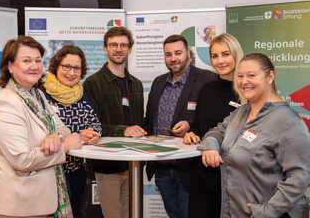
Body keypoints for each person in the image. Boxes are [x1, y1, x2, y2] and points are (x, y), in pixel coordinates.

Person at [0, 35, 83, 218]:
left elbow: (62, 128)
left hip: (42, 202)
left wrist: (56, 137)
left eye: (38, 60)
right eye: (26, 60)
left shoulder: (36, 95)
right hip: (15, 207)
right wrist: (65, 146)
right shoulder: (5, 103)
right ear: (10, 66)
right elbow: (23, 159)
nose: (34, 66)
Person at [198, 53, 310, 218]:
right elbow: (218, 131)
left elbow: (299, 177)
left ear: (270, 77)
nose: (244, 82)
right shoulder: (241, 112)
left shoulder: (289, 122)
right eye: (240, 76)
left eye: (251, 75)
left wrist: (267, 212)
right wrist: (210, 146)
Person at [144, 34, 216, 218]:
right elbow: (149, 119)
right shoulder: (159, 81)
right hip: (161, 168)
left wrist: (191, 126)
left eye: (178, 53)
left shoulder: (207, 79)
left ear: (189, 53)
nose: (173, 58)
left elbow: (216, 118)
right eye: (168, 54)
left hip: (190, 168)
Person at [83, 26, 147, 218]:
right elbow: (91, 127)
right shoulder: (92, 83)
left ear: (130, 49)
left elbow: (139, 124)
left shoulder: (136, 84)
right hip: (107, 165)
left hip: (132, 165)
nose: (118, 49)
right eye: (113, 45)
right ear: (105, 49)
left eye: (123, 45)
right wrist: (123, 130)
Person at [183, 33, 244, 218]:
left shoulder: (247, 91)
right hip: (203, 174)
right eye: (215, 56)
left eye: (225, 54)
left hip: (235, 176)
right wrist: (190, 133)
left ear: (236, 54)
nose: (220, 61)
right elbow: (198, 125)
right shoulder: (206, 89)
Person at [41, 45, 102, 218]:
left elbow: (95, 124)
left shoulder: (81, 94)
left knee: (72, 213)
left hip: (76, 169)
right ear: (56, 66)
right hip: (49, 169)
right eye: (66, 66)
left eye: (77, 68)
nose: (71, 72)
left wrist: (91, 134)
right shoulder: (41, 93)